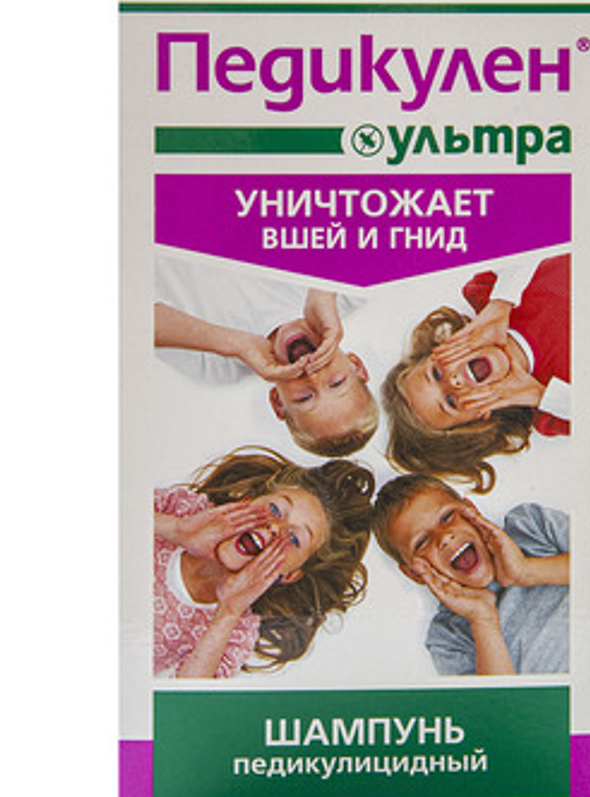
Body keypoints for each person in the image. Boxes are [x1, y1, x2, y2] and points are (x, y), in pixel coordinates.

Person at [153, 448, 374, 677]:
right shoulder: (181, 511)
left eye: (293, 539)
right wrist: (178, 530)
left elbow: (186, 694)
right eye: (276, 509)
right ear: (247, 502)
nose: (275, 527)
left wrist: (228, 611)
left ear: (289, 575)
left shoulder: (235, 631)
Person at [154, 251, 378, 457]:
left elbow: (140, 316)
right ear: (356, 365)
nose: (313, 376)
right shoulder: (349, 293)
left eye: (304, 398)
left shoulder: (218, 365)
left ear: (278, 402)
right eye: (336, 383)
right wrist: (324, 290)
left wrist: (236, 344)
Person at [382, 253, 569, 490]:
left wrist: (501, 303)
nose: (454, 381)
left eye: (436, 374)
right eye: (451, 402)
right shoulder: (555, 408)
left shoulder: (487, 292)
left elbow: (534, 236)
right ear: (480, 420)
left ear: (441, 346)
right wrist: (540, 395)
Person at [372, 474, 569, 676]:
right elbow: (498, 696)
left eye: (447, 517)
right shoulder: (448, 636)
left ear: (471, 510)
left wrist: (525, 571)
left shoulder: (529, 527)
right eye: (422, 542)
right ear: (414, 573)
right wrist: (483, 620)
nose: (444, 537)